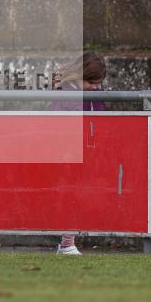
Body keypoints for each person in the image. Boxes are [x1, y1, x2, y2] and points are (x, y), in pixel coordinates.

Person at [51, 51, 107, 256]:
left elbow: (101, 117)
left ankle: (67, 241)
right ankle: (67, 242)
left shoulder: (97, 94)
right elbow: (57, 122)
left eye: (97, 83)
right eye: (91, 82)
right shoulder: (65, 93)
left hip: (89, 152)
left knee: (80, 196)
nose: (95, 87)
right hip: (69, 154)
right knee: (71, 196)